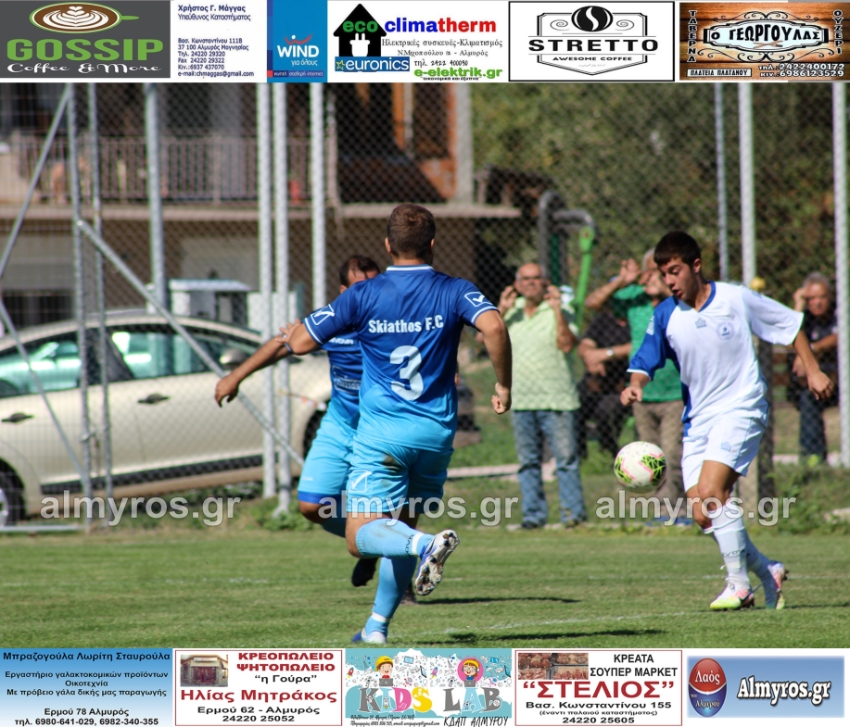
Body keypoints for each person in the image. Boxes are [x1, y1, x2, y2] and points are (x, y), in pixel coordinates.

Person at [284, 203, 512, 643]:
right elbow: (495, 329)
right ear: (432, 244)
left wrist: (296, 330)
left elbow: (299, 343)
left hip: (383, 436)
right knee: (400, 525)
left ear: (388, 246)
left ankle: (425, 545)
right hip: (435, 434)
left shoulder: (362, 294)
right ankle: (376, 627)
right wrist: (503, 385)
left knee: (360, 537)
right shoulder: (456, 289)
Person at [622, 231, 834, 610]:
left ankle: (739, 586)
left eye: (674, 271)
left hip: (741, 407)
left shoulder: (735, 298)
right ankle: (768, 569)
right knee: (703, 514)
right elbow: (644, 360)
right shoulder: (666, 314)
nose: (669, 281)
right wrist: (636, 384)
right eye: (663, 273)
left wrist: (813, 368)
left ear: (696, 266)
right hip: (698, 421)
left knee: (712, 491)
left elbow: (790, 324)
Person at [215, 255, 394, 590]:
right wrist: (235, 377)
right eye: (361, 287)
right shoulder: (332, 321)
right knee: (312, 506)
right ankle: (374, 542)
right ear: (344, 292)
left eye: (375, 285)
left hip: (381, 432)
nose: (370, 293)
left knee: (388, 508)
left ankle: (397, 562)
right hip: (340, 426)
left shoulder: (394, 322)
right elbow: (282, 343)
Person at [586, 251, 686, 513]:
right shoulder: (634, 299)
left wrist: (665, 291)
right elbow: (593, 303)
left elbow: (696, 312)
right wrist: (622, 281)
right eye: (652, 270)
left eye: (663, 271)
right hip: (642, 391)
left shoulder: (679, 300)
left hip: (675, 391)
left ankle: (674, 510)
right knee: (650, 457)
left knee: (672, 454)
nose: (656, 275)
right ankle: (663, 510)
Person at [498, 263, 586, 529]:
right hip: (521, 398)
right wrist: (501, 310)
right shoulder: (511, 312)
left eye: (536, 278)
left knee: (566, 462)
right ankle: (533, 517)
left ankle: (572, 516)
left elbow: (567, 344)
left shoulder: (561, 309)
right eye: (525, 279)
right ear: (517, 284)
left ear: (546, 282)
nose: (531, 283)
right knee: (528, 463)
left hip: (556, 398)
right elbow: (484, 342)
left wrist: (557, 310)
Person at [791, 272, 838, 463]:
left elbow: (841, 335)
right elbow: (788, 335)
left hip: (841, 379)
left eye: (822, 297)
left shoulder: (840, 312)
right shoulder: (805, 318)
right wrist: (798, 305)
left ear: (830, 297)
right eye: (811, 298)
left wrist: (811, 349)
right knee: (809, 396)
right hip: (814, 383)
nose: (817, 303)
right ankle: (813, 456)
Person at [576, 299, 632, 460]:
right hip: (598, 381)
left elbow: (639, 345)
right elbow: (585, 345)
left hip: (625, 383)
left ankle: (609, 454)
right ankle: (580, 456)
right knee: (573, 405)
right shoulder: (603, 319)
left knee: (605, 411)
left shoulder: (639, 320)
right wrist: (591, 357)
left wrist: (607, 354)